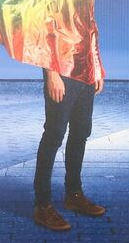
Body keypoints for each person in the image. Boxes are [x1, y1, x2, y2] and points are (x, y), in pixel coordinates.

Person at [33, 69, 106, 231]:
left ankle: (74, 195)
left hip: (86, 73)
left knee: (81, 132)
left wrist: (97, 70)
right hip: (61, 71)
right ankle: (42, 205)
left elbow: (92, 48)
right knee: (54, 135)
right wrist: (51, 74)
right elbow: (43, 49)